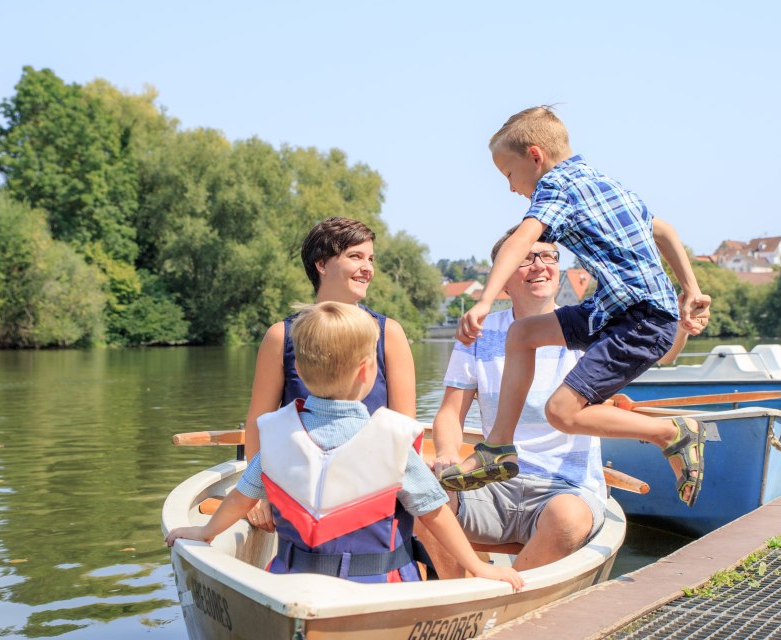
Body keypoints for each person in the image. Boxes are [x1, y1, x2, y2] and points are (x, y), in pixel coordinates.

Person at [440, 106, 712, 507]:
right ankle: (498, 447)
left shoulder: (555, 187)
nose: (512, 188)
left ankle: (672, 433)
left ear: (536, 157)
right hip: (614, 310)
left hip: (640, 319)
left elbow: (520, 240)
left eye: (509, 174)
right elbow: (665, 231)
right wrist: (690, 288)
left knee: (562, 412)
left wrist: (484, 299)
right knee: (522, 334)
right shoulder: (607, 184)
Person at [166, 302, 523, 589]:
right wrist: (478, 566)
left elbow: (241, 498)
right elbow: (435, 513)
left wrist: (205, 532)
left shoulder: (277, 437)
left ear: (299, 371)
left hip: (292, 584)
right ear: (367, 371)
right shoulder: (394, 441)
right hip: (378, 590)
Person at [429, 230, 610, 574]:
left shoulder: (587, 329)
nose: (539, 265)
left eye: (548, 256)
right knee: (423, 492)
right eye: (526, 258)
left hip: (564, 489)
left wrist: (679, 329)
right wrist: (446, 453)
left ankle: (505, 593)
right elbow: (450, 414)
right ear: (503, 280)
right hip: (492, 483)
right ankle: (455, 594)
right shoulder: (479, 333)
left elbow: (656, 352)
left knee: (567, 519)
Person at [242, 217, 416, 531]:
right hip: (302, 492)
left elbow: (406, 427)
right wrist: (258, 495)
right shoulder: (281, 337)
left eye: (371, 259)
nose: (367, 268)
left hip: (373, 489)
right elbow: (259, 420)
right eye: (356, 256)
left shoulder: (390, 333)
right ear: (321, 264)